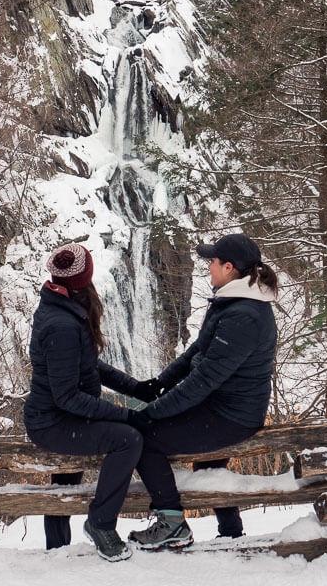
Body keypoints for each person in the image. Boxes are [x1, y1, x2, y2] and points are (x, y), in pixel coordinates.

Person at [125, 233, 279, 550]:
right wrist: (161, 382)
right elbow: (199, 349)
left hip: (232, 415)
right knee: (207, 463)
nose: (207, 267)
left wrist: (151, 413)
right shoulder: (233, 301)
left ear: (229, 267)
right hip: (223, 405)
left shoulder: (243, 316)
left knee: (144, 438)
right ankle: (231, 533)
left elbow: (204, 380)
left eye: (211, 261)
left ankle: (171, 523)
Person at [23, 243, 160, 561]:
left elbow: (88, 365)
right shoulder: (61, 325)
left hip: (62, 416)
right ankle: (101, 524)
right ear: (84, 277)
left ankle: (57, 552)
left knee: (65, 481)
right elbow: (68, 396)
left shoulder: (62, 304)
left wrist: (135, 388)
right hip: (53, 422)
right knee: (128, 439)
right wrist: (127, 416)